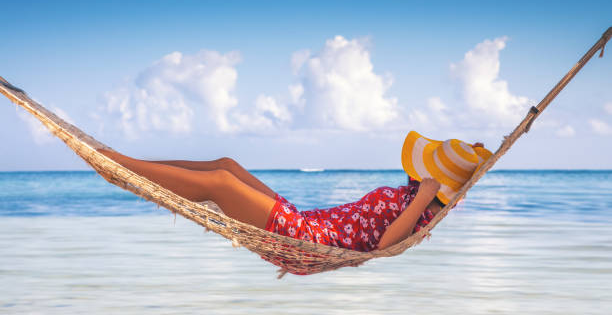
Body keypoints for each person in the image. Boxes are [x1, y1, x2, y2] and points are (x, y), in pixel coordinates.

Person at [97, 131, 492, 253]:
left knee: (220, 184)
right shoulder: (413, 198)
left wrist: (427, 198)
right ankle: (131, 163)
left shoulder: (424, 213)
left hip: (304, 241)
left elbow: (386, 243)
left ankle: (119, 166)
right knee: (228, 164)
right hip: (302, 220)